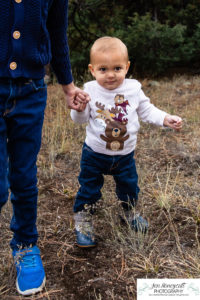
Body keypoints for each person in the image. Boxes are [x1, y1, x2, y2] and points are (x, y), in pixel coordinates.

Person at [0, 0, 89, 296]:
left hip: (31, 92)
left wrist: (68, 85)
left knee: (24, 177)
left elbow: (57, 33)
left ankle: (26, 245)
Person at [70, 36, 182, 248]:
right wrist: (78, 109)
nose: (110, 75)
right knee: (89, 189)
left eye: (117, 68)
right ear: (92, 70)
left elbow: (147, 110)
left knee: (129, 187)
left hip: (124, 155)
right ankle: (84, 220)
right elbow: (80, 120)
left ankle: (128, 213)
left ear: (127, 67)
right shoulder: (89, 90)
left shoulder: (133, 89)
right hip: (95, 153)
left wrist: (165, 119)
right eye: (103, 69)